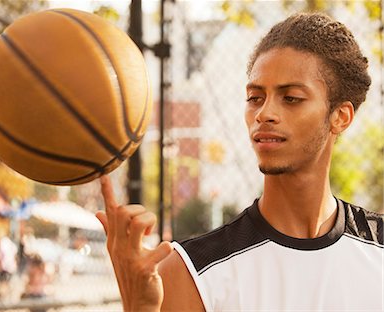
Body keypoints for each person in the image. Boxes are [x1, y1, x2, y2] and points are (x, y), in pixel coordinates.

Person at [96, 12, 384, 311]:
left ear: (340, 116)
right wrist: (139, 308)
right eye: (255, 98)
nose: (264, 114)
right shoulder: (191, 272)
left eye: (291, 98)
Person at [0, 236, 18, 300]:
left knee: (3, 282)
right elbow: (15, 256)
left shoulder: (4, 245)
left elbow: (0, 257)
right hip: (9, 267)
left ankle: (2, 295)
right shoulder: (11, 245)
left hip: (4, 267)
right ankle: (3, 295)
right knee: (5, 283)